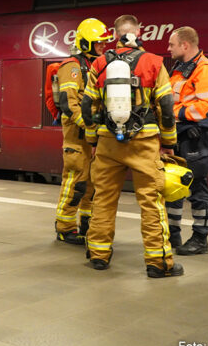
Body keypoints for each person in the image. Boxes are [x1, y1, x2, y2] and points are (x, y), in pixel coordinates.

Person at [81, 14, 182, 278]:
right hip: (144, 143)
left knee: (103, 198)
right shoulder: (153, 62)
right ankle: (158, 262)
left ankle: (99, 255)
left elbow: (87, 106)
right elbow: (167, 107)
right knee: (151, 201)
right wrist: (169, 142)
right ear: (138, 34)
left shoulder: (100, 64)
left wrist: (92, 139)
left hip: (107, 143)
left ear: (116, 36)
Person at [54, 18, 111, 244]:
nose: (102, 46)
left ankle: (86, 224)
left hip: (92, 138)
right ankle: (64, 228)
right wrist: (89, 126)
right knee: (75, 184)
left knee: (92, 185)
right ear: (86, 43)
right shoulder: (72, 66)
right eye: (98, 43)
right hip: (77, 138)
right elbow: (68, 104)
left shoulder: (95, 65)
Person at [165, 27, 208, 255]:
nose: (168, 49)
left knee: (197, 187)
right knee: (174, 186)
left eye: (171, 44)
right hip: (179, 137)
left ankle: (200, 238)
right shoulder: (179, 70)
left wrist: (176, 114)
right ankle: (172, 235)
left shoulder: (204, 68)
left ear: (185, 45)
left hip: (195, 137)